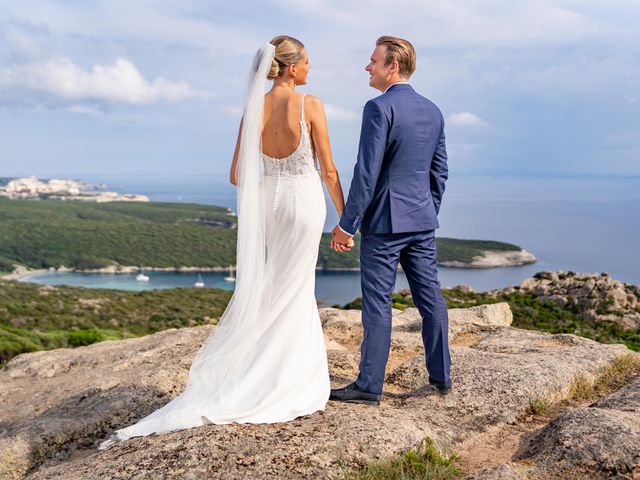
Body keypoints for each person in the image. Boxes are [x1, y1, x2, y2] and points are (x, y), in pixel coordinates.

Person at [99, 35, 348, 449]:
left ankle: (264, 372)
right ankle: (285, 379)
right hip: (303, 203)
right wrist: (345, 220)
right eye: (306, 63)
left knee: (277, 283)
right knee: (296, 286)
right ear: (291, 67)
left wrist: (270, 179)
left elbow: (237, 174)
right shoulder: (310, 104)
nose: (309, 70)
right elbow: (330, 172)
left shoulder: (254, 108)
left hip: (269, 204)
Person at [329, 36, 451, 406]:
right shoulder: (433, 110)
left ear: (392, 66)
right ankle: (441, 376)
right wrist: (426, 210)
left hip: (383, 224)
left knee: (378, 303)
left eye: (373, 61)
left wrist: (346, 225)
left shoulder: (378, 108)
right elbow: (440, 171)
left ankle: (369, 386)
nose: (368, 67)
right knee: (430, 297)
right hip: (422, 221)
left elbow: (365, 174)